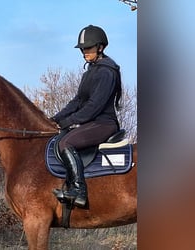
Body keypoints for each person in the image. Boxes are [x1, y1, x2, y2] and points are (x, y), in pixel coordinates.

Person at [51, 25, 122, 207]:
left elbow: (93, 107)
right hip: (92, 122)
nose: (84, 52)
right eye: (82, 49)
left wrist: (69, 122)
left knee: (66, 143)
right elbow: (77, 101)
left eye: (88, 48)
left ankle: (78, 191)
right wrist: (55, 120)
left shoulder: (107, 72)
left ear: (100, 47)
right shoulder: (90, 71)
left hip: (104, 124)